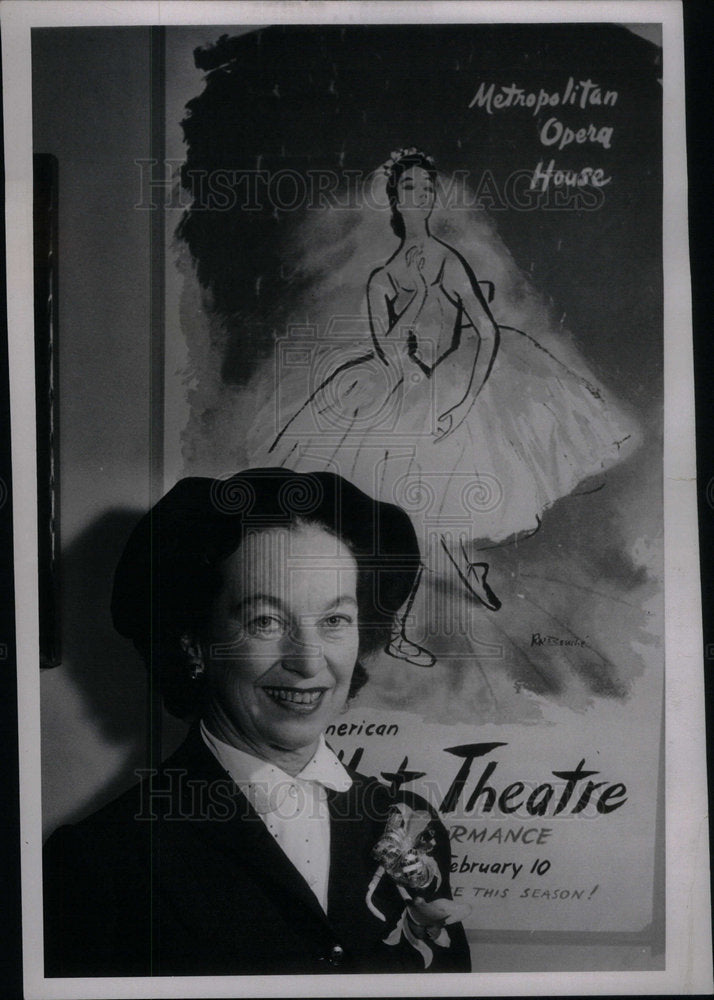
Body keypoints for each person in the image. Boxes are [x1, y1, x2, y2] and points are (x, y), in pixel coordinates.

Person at [42, 468, 471, 977]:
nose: (309, 662)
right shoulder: (101, 861)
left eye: (335, 621)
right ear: (194, 644)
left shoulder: (408, 820)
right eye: (265, 621)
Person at [249, 150, 638, 665]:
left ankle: (454, 569)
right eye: (409, 189)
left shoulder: (449, 259)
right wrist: (413, 311)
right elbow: (389, 350)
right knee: (407, 506)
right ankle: (402, 622)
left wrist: (463, 402)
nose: (420, 198)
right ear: (395, 198)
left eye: (427, 190)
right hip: (402, 389)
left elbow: (486, 330)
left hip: (458, 387)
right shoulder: (382, 279)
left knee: (440, 493)